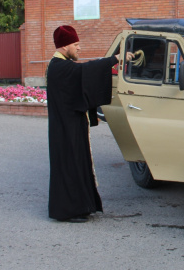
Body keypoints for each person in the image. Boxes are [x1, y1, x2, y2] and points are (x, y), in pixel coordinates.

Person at [46, 25, 133, 223]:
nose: (79, 48)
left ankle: (82, 206)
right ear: (64, 45)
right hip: (65, 129)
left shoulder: (62, 66)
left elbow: (82, 74)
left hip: (72, 125)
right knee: (69, 166)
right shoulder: (59, 67)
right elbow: (85, 71)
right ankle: (67, 211)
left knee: (77, 164)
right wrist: (114, 59)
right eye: (75, 44)